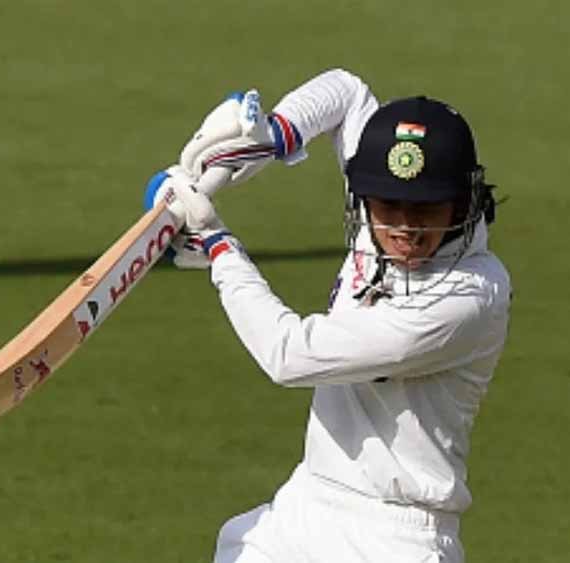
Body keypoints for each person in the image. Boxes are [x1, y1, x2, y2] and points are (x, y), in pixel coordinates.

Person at [150, 68, 511, 563]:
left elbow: (289, 355)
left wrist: (217, 245)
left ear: (463, 203)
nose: (405, 229)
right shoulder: (374, 217)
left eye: (426, 209)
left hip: (397, 536)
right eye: (389, 206)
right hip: (305, 506)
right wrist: (269, 141)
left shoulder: (468, 297)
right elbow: (346, 91)